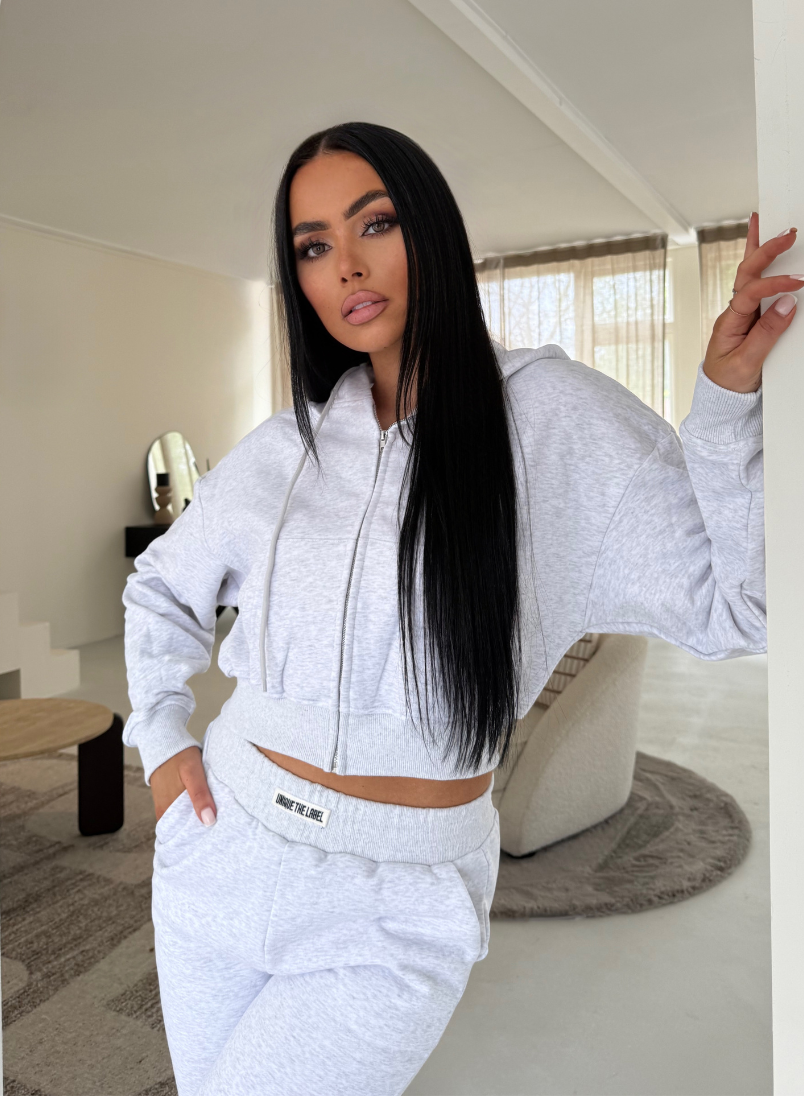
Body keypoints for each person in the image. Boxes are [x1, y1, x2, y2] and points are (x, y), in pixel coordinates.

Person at [122, 122, 797, 1095]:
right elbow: (160, 587)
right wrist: (160, 738)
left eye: (376, 224)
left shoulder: (553, 418)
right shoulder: (284, 449)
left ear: (432, 229)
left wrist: (727, 407)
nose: (346, 266)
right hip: (221, 849)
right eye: (312, 246)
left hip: (396, 906)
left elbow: (748, 608)